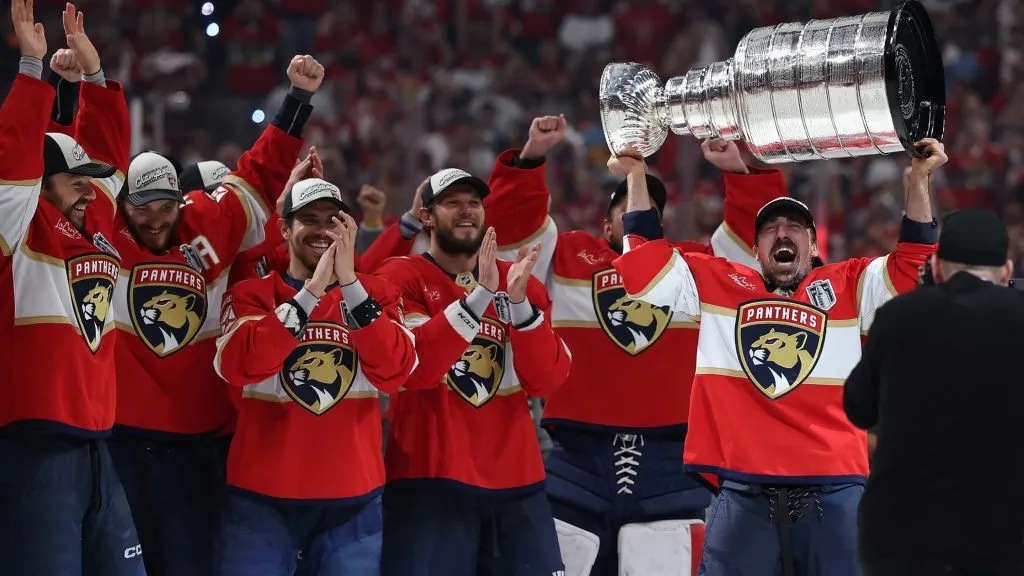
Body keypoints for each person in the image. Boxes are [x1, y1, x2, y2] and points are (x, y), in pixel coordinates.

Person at [608, 138, 947, 576]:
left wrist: (919, 179)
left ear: (813, 245)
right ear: (755, 250)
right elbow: (645, 270)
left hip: (834, 489)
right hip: (744, 490)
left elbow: (914, 268)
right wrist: (637, 176)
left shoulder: (849, 283)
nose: (782, 233)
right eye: (770, 228)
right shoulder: (718, 282)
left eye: (794, 227)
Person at [476, 116, 790, 574]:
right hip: (578, 455)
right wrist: (531, 158)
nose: (638, 212)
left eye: (648, 209)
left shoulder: (689, 265)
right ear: (606, 224)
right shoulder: (570, 255)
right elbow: (511, 238)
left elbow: (751, 258)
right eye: (625, 206)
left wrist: (738, 173)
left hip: (672, 459)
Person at [214, 176, 417, 575]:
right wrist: (311, 292)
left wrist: (350, 285)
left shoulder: (377, 295)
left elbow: (396, 370)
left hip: (353, 501)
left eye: (333, 221)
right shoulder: (251, 295)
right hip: (261, 500)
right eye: (309, 219)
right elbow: (241, 365)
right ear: (284, 228)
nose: (323, 230)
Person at [0, 2, 141, 574]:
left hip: (97, 440)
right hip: (33, 444)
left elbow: (109, 158)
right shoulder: (17, 224)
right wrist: (32, 70)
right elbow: (12, 161)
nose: (89, 191)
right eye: (74, 182)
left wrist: (96, 77)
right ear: (40, 183)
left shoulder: (93, 223)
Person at [375, 168, 572, 576]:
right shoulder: (399, 278)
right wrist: (480, 296)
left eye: (474, 203)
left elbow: (545, 380)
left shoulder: (521, 283)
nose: (466, 211)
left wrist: (520, 306)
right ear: (427, 216)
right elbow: (417, 369)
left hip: (518, 479)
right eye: (453, 203)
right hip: (429, 480)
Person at [844, 208, 1024, 576]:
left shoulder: (897, 315)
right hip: (998, 538)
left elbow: (858, 407)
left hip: (900, 538)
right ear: (1006, 272)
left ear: (937, 268)